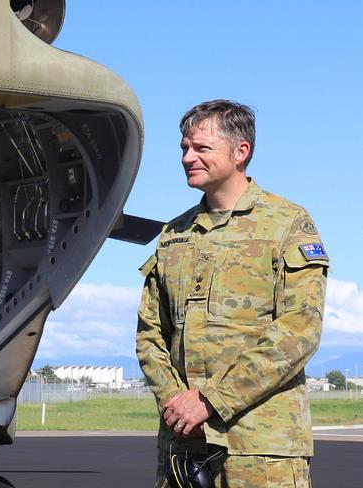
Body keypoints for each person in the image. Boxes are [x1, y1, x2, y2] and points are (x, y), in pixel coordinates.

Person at [136, 100, 329, 487]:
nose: (188, 157)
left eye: (201, 148)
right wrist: (177, 405)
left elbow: (299, 330)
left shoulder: (287, 223)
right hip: (184, 446)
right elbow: (150, 334)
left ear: (241, 152)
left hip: (261, 449)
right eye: (184, 148)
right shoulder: (173, 235)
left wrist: (209, 400)